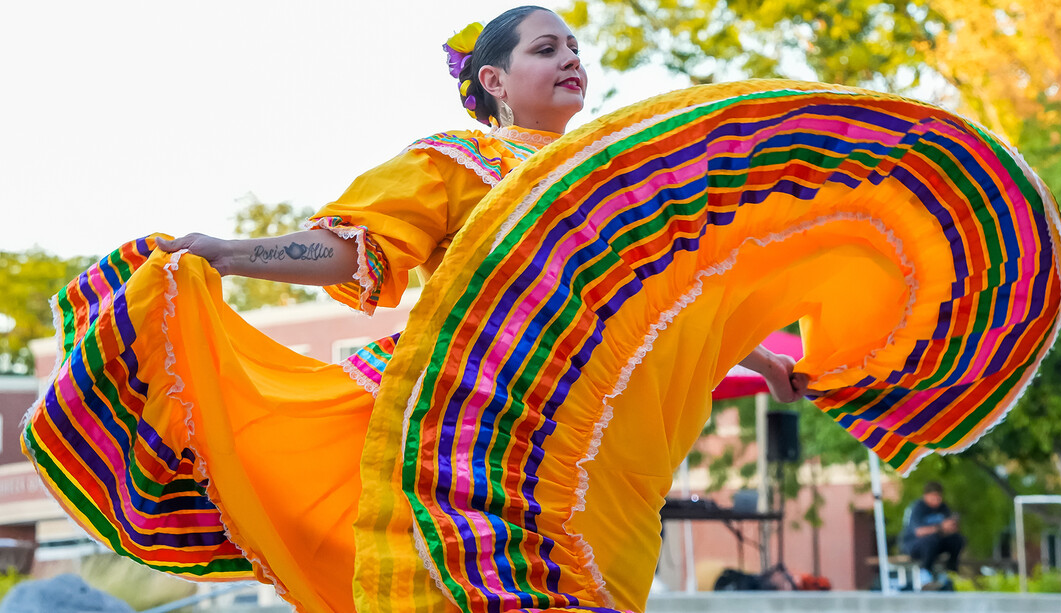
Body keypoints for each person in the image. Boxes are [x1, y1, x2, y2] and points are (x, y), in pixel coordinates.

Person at [23, 7, 812, 613]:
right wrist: (229, 251)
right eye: (546, 48)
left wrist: (765, 356)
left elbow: (662, 295)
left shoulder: (617, 181)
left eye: (575, 47)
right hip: (477, 436)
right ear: (495, 83)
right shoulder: (458, 162)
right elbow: (353, 249)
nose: (571, 58)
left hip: (593, 449)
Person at [900, 481, 964, 585]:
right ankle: (925, 572)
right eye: (934, 496)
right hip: (914, 545)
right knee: (931, 539)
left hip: (937, 543)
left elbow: (949, 530)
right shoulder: (918, 507)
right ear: (926, 496)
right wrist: (941, 527)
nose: (937, 500)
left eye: (939, 496)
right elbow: (919, 531)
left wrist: (952, 526)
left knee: (957, 539)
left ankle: (951, 570)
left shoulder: (943, 508)